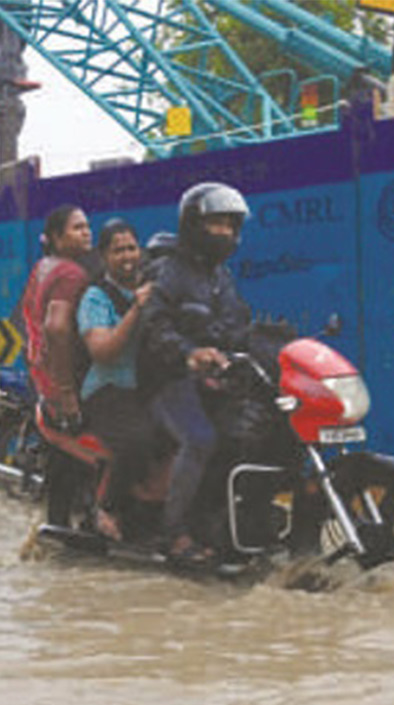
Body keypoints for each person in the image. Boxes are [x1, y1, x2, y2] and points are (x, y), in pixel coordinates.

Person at [138, 182, 254, 565]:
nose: (224, 233)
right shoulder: (167, 269)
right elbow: (154, 324)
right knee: (201, 439)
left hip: (210, 381)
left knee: (248, 432)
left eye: (230, 225)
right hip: (165, 379)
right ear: (193, 224)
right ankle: (172, 533)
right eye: (216, 224)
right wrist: (188, 354)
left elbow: (236, 323)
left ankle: (222, 523)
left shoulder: (220, 277)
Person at [76, 218, 159, 542]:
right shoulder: (95, 298)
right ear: (104, 257)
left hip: (147, 388)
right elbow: (103, 351)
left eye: (131, 248)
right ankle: (108, 507)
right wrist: (136, 309)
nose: (127, 256)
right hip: (108, 391)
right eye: (118, 250)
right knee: (140, 439)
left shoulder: (156, 288)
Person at [19, 204, 94, 526]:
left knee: (65, 457)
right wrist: (66, 390)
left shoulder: (43, 268)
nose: (86, 232)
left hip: (43, 375)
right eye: (77, 228)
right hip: (65, 379)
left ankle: (57, 527)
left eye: (87, 226)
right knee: (80, 454)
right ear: (56, 237)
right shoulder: (71, 274)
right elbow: (58, 328)